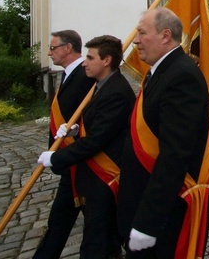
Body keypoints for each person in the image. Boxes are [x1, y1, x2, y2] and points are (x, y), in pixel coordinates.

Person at [117, 8, 209, 257]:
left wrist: (148, 222)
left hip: (165, 212)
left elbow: (174, 155)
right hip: (142, 196)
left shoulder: (181, 76)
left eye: (141, 33)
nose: (135, 39)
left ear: (165, 35)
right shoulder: (159, 71)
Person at [38, 35, 136, 258]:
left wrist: (55, 158)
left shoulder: (117, 92)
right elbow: (95, 124)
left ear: (106, 60)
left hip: (106, 178)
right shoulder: (100, 87)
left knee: (97, 243)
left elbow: (96, 140)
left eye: (90, 57)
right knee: (104, 241)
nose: (84, 62)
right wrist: (74, 130)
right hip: (93, 178)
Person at [34, 30, 95, 259]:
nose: (49, 53)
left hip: (78, 159)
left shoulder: (85, 74)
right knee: (93, 217)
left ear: (68, 48)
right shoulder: (68, 74)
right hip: (70, 158)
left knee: (61, 218)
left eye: (53, 48)